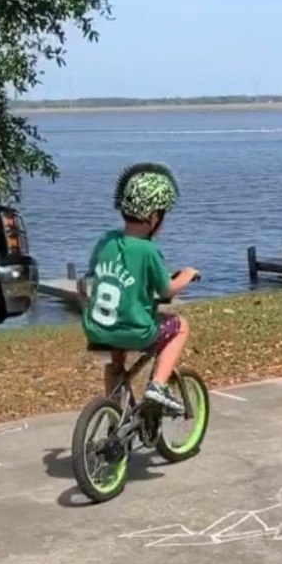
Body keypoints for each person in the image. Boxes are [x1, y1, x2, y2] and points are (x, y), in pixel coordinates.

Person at [82, 162, 199, 413]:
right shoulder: (148, 250)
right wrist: (188, 275)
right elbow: (167, 290)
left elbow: (96, 271)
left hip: (98, 328)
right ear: (153, 217)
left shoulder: (106, 240)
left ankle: (114, 414)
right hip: (135, 332)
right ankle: (158, 386)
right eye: (163, 215)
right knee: (180, 326)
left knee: (115, 363)